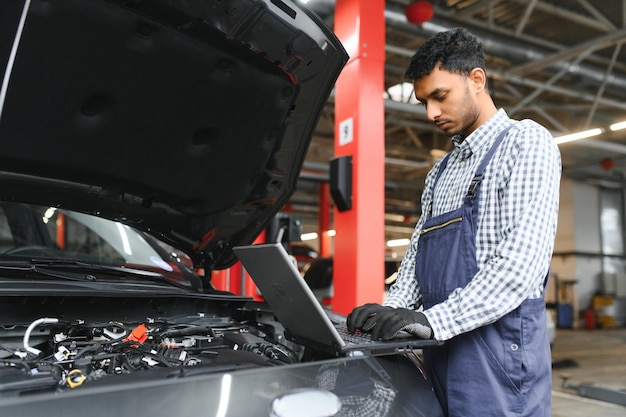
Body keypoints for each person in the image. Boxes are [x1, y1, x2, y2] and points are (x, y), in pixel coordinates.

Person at [347, 27, 561, 417]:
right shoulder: (440, 173)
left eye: (440, 97)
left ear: (476, 79)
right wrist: (387, 313)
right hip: (441, 353)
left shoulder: (526, 143)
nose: (430, 113)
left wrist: (430, 320)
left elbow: (520, 267)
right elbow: (414, 262)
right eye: (424, 101)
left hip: (500, 362)